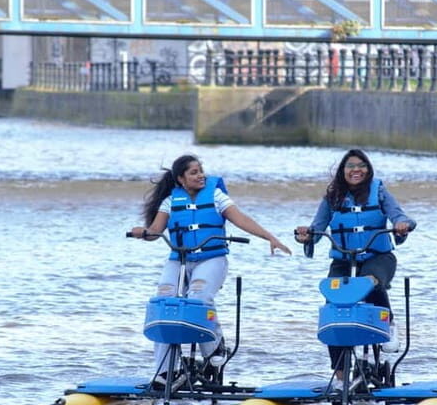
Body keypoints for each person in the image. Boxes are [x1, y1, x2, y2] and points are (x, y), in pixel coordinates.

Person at [131, 154, 291, 379]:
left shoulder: (216, 196)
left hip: (211, 259)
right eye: (194, 173)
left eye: (201, 170)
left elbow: (242, 219)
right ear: (181, 179)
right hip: (179, 259)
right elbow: (156, 231)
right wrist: (144, 233)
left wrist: (270, 237)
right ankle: (166, 371)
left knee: (199, 297)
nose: (201, 175)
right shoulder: (170, 201)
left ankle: (215, 349)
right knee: (164, 302)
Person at [295, 149, 415, 386]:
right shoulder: (332, 196)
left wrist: (402, 226)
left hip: (378, 257)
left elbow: (399, 215)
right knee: (334, 304)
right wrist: (306, 236)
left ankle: (388, 324)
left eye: (361, 165)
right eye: (350, 166)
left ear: (368, 170)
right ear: (343, 171)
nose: (356, 170)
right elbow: (316, 227)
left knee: (369, 280)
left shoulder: (379, 191)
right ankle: (340, 378)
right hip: (343, 260)